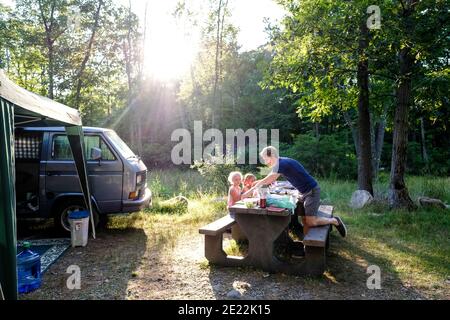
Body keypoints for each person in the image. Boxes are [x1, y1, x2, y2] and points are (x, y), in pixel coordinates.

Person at [242, 146, 347, 238]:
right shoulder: (282, 162)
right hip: (305, 192)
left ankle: (334, 221)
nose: (265, 162)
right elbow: (268, 178)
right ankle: (298, 231)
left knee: (310, 221)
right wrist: (256, 182)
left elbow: (269, 180)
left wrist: (248, 192)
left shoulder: (281, 164)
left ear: (272, 156)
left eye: (265, 159)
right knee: (298, 211)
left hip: (311, 192)